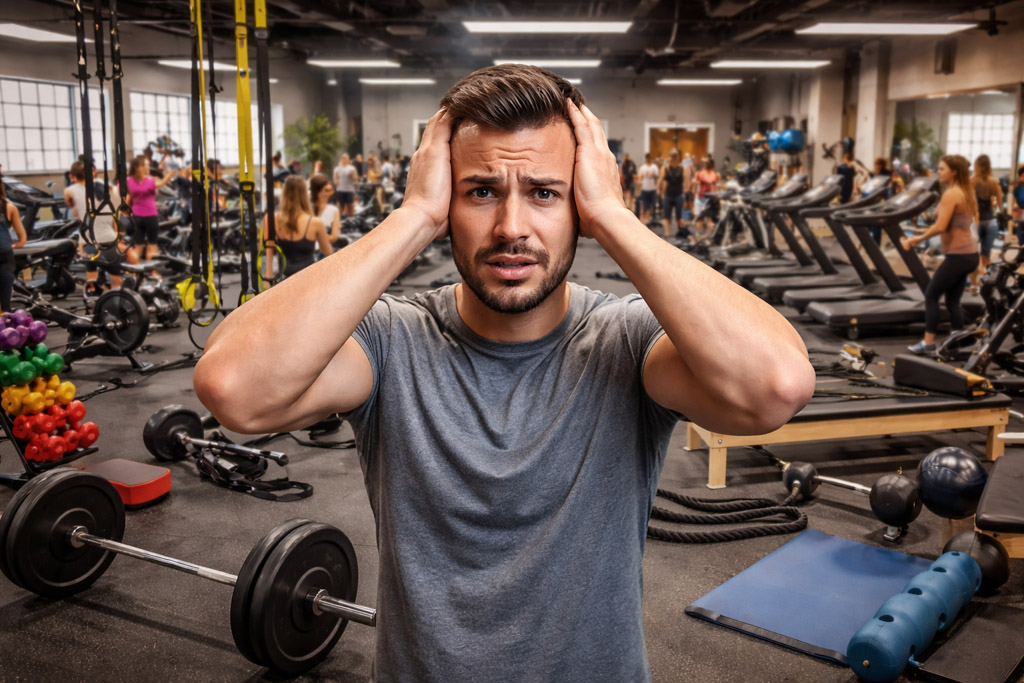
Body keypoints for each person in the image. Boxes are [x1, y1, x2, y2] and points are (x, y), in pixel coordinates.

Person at [194, 64, 814, 681]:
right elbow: (235, 391)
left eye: (545, 193)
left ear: (578, 203)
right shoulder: (393, 338)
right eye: (481, 191)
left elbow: (774, 389)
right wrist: (411, 218)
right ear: (447, 199)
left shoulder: (625, 342)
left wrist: (616, 219)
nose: (511, 228)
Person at [901, 155, 980, 356]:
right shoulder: (964, 191)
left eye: (942, 169)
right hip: (968, 254)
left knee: (931, 295)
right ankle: (957, 340)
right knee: (953, 300)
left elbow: (941, 226)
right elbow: (952, 226)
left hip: (959, 256)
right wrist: (926, 241)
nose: (938, 172)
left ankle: (928, 342)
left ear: (954, 171)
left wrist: (914, 240)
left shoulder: (952, 194)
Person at [63, 160, 138, 293]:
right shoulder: (107, 187)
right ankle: (118, 300)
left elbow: (69, 204)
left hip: (89, 243)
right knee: (117, 280)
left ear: (72, 176)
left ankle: (94, 300)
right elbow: (119, 212)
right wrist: (119, 239)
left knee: (92, 279)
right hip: (109, 240)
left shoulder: (70, 190)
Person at [262, 175, 332, 279]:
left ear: (284, 194)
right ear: (305, 195)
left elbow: (269, 248)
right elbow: (327, 252)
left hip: (285, 278)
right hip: (309, 279)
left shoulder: (271, 218)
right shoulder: (315, 222)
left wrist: (268, 275)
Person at [126, 154, 174, 262]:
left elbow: (124, 197)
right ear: (140, 167)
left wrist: (170, 174)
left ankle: (136, 271)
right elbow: (162, 183)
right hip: (148, 216)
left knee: (139, 246)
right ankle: (149, 271)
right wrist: (170, 174)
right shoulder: (149, 180)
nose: (148, 167)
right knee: (152, 245)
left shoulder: (129, 181)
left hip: (139, 217)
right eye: (147, 165)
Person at [971, 154, 1003, 291]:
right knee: (986, 254)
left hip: (976, 221)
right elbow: (1000, 200)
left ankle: (973, 285)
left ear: (977, 165)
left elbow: (971, 202)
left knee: (972, 254)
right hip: (991, 221)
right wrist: (998, 207)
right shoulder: (993, 181)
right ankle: (988, 286)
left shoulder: (972, 181)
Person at [0, 165, 27, 312]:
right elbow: (22, 238)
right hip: (5, 255)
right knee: (5, 308)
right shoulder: (9, 207)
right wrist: (15, 245)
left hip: (4, 256)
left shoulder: (8, 207)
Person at [658, 149, 686, 237]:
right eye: (672, 156)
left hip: (679, 194)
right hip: (668, 194)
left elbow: (686, 181)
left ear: (678, 157)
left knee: (679, 216)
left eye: (675, 156)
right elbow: (660, 180)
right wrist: (658, 190)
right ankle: (667, 233)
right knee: (667, 215)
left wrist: (685, 193)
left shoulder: (683, 168)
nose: (674, 158)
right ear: (670, 157)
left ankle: (680, 231)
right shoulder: (665, 168)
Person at [309, 173, 342, 248]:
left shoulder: (333, 210)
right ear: (316, 191)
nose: (330, 193)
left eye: (330, 190)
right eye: (326, 190)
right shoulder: (307, 208)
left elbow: (334, 237)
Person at [694, 158, 721, 235]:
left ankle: (702, 235)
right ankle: (710, 235)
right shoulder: (715, 174)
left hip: (705, 197)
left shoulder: (701, 173)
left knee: (701, 218)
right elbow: (719, 185)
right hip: (706, 197)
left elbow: (695, 183)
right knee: (707, 219)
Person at [637, 153, 659, 224]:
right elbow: (640, 178)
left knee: (653, 204)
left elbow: (657, 177)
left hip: (652, 189)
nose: (649, 159)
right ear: (646, 159)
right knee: (645, 205)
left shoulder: (654, 167)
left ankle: (648, 217)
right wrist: (639, 189)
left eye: (650, 158)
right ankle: (646, 218)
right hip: (645, 189)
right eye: (648, 158)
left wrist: (654, 175)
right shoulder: (643, 167)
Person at [1011, 165, 1024, 246]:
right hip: (1021, 213)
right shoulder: (1017, 187)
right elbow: (1013, 200)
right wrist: (1015, 207)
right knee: (1020, 234)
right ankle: (1021, 253)